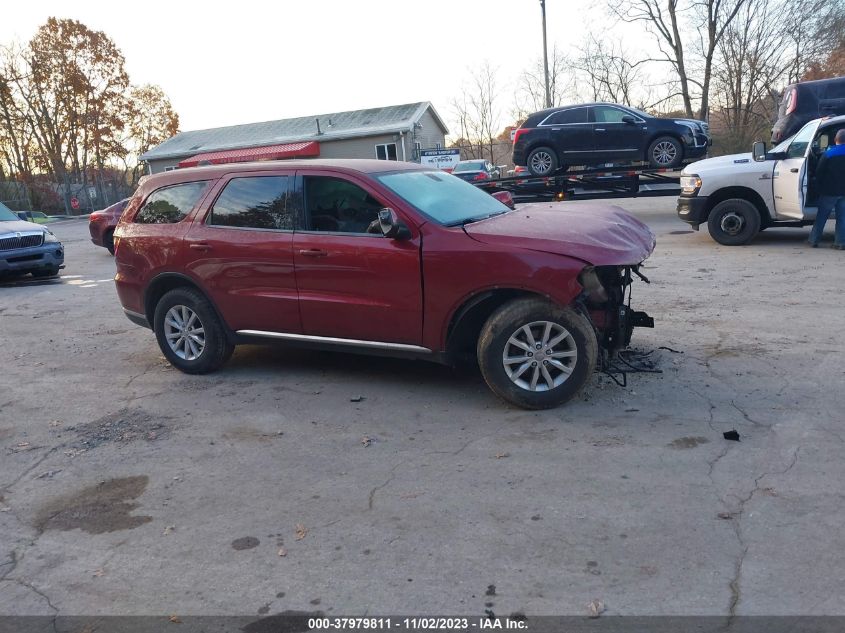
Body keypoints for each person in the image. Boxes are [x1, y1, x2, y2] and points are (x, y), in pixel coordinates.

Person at [809, 129, 845, 249]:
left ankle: (814, 240)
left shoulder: (828, 154)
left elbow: (819, 172)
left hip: (830, 191)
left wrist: (818, 186)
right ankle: (840, 243)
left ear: (835, 140)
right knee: (842, 218)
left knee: (822, 216)